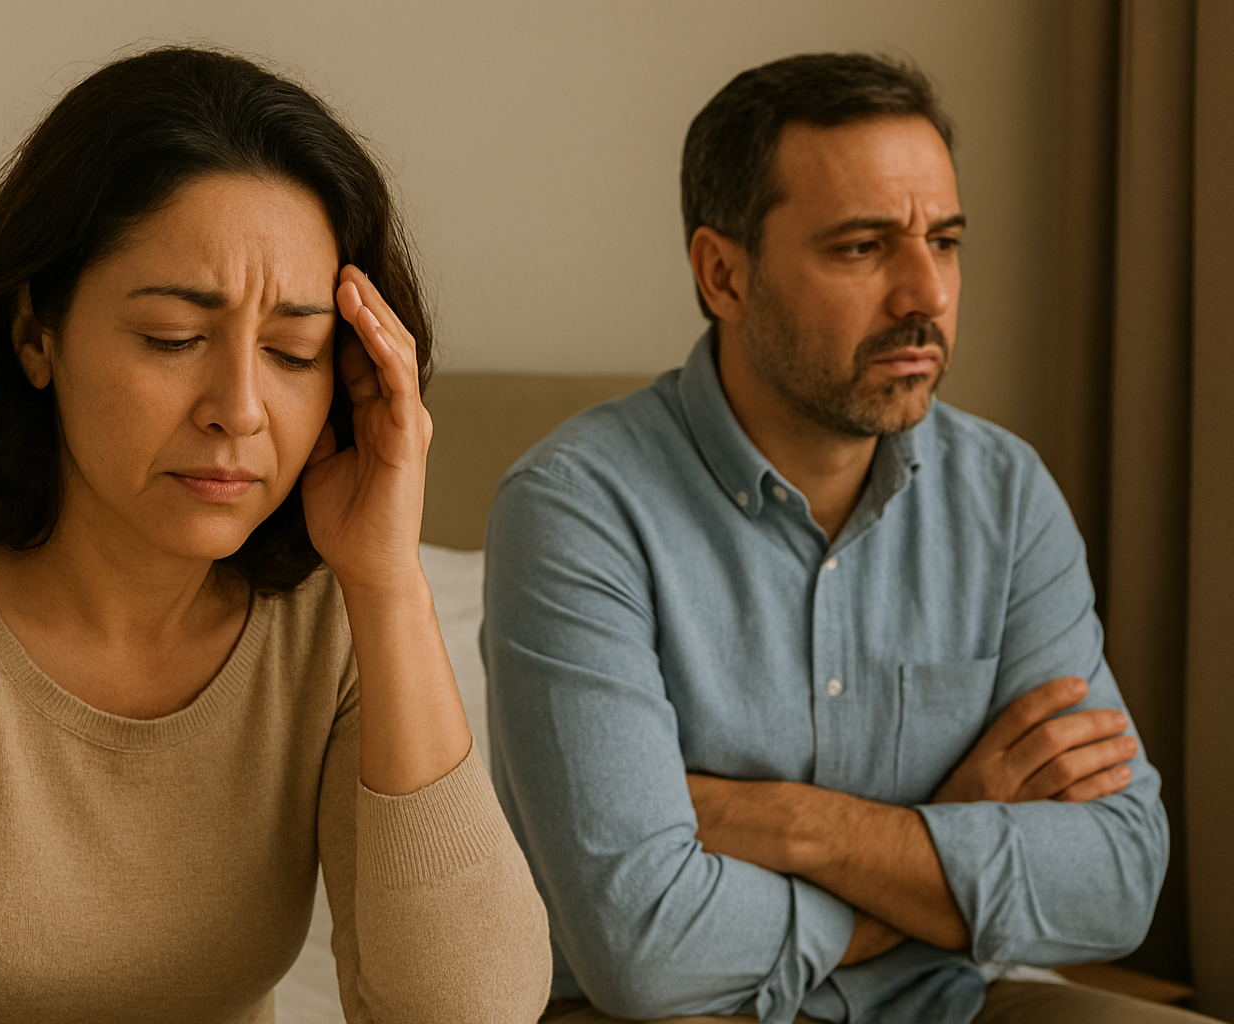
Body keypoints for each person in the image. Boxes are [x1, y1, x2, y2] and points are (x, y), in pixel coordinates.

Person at [0, 47, 550, 1024]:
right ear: (36, 333)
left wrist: (386, 582)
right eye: (171, 338)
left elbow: (472, 1010)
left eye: (295, 351)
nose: (240, 409)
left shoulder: (331, 618)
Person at [482, 53, 1198, 1024]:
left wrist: (802, 828)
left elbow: (1117, 877)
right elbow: (643, 948)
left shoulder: (1005, 492)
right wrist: (946, 837)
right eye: (863, 247)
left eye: (944, 241)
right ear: (722, 273)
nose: (925, 294)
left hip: (948, 1000)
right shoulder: (575, 508)